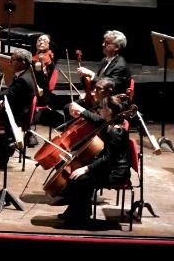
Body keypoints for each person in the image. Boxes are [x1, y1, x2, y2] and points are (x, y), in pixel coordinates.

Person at [56, 94, 134, 226]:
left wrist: (86, 168)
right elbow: (97, 120)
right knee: (76, 173)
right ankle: (76, 211)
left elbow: (107, 159)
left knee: (80, 178)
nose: (99, 110)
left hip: (116, 172)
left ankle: (80, 217)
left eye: (102, 107)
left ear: (109, 111)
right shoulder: (109, 124)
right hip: (109, 167)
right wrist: (81, 111)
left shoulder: (116, 132)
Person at [76, 30, 132, 97]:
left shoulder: (120, 66)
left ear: (117, 47)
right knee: (69, 106)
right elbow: (96, 82)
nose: (102, 45)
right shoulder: (104, 60)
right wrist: (83, 78)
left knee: (70, 107)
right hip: (100, 98)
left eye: (107, 43)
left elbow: (108, 86)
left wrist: (91, 74)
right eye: (103, 42)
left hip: (112, 102)